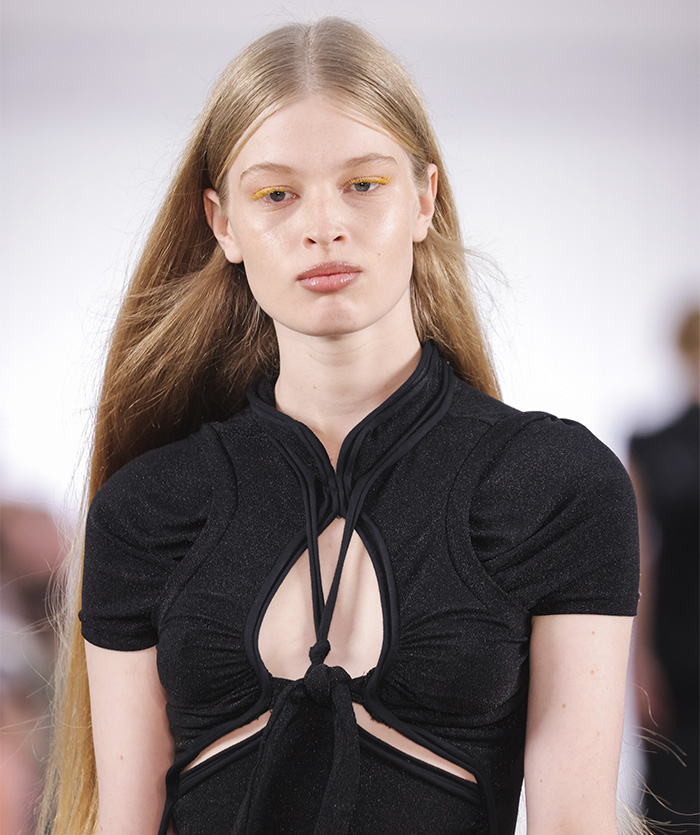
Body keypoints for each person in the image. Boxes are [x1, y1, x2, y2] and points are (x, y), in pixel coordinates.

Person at [39, 18, 641, 835]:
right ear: (223, 225)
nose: (323, 224)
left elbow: (575, 824)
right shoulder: (149, 510)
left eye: (363, 184)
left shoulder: (553, 487)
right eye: (275, 193)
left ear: (424, 198)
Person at [630, 306, 699, 831]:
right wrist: (640, 657)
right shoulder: (652, 445)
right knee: (675, 794)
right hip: (678, 642)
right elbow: (638, 560)